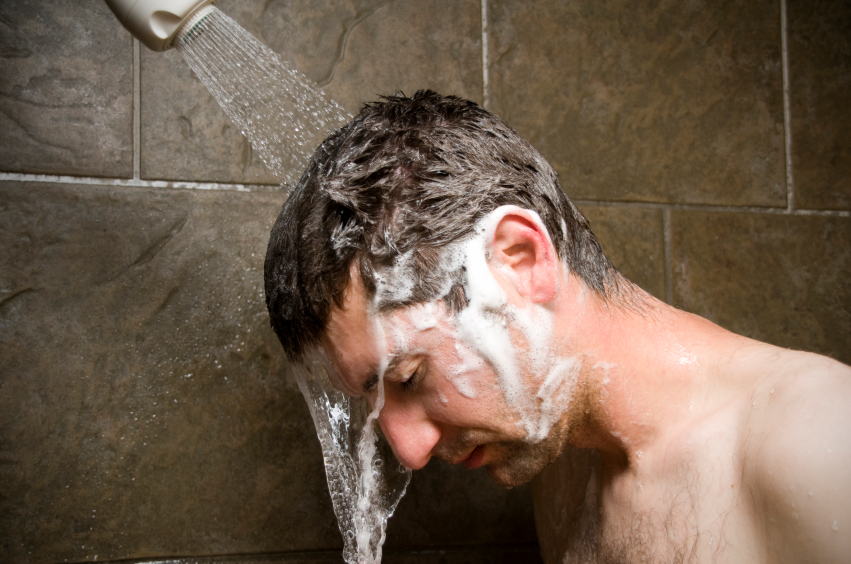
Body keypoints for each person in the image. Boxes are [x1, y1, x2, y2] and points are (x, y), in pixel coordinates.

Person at [264, 90, 851, 563]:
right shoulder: (561, 465)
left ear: (519, 262)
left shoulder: (818, 449)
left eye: (410, 377)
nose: (409, 452)